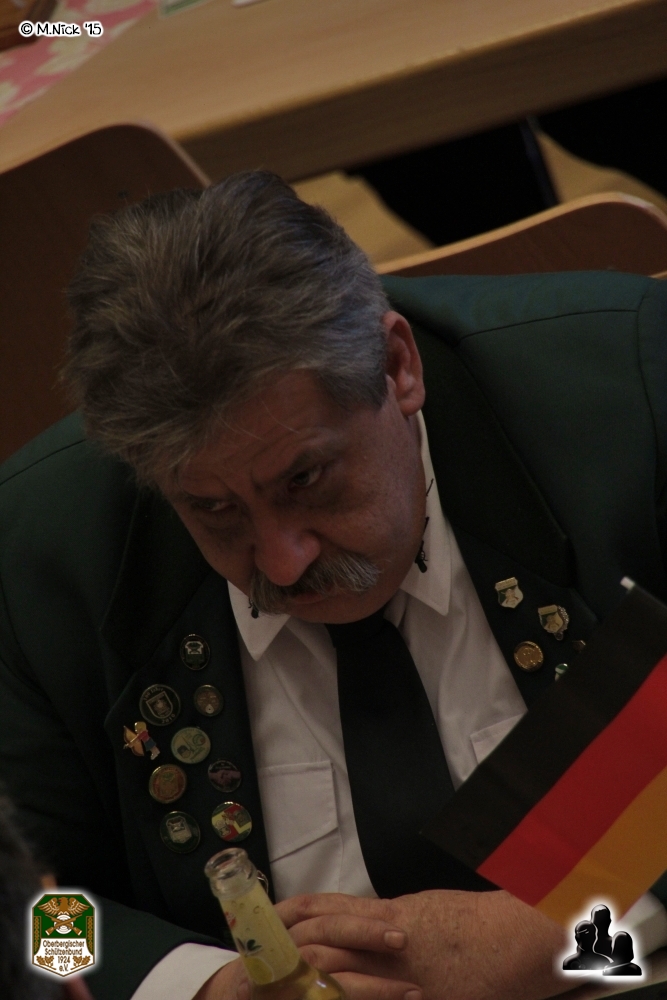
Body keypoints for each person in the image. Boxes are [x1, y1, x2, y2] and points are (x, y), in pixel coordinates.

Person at [2, 171, 667, 1000]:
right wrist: (203, 988)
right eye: (214, 510)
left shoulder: (632, 400)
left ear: (396, 367)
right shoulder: (45, 560)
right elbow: (32, 912)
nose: (281, 563)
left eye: (305, 479)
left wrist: (564, 920)